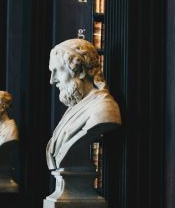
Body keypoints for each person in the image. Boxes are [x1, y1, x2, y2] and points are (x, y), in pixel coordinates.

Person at [46, 38, 121, 170]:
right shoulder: (75, 108)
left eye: (58, 71)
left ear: (80, 71)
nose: (52, 81)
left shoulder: (103, 109)